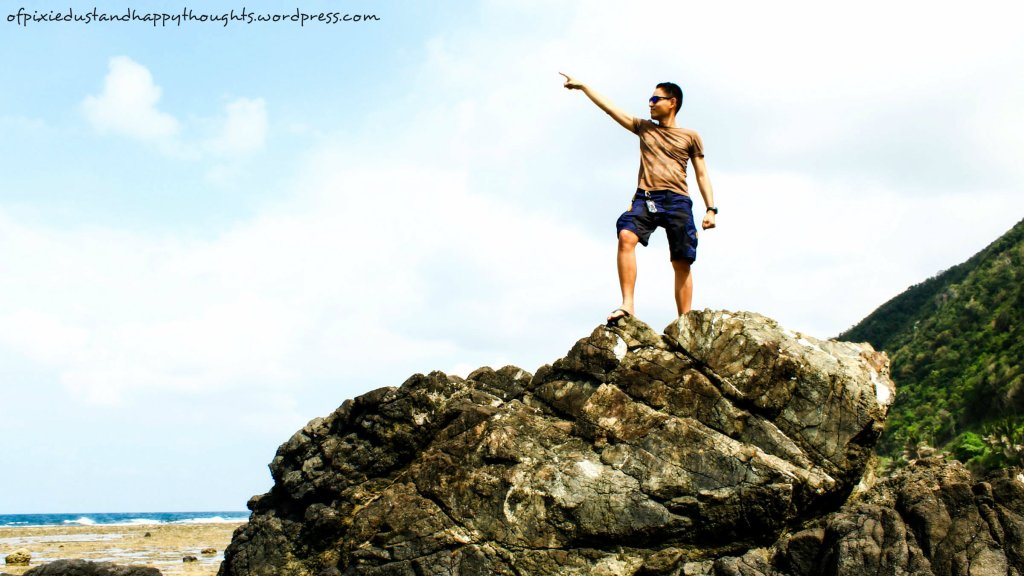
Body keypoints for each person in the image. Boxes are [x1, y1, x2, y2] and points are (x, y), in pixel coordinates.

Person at [560, 72, 718, 324]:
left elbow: (702, 174)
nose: (650, 103)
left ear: (672, 102)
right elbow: (612, 110)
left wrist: (711, 209)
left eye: (656, 99)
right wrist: (584, 87)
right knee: (626, 235)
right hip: (646, 198)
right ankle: (628, 305)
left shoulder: (690, 136)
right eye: (650, 99)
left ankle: (685, 322)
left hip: (677, 200)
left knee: (682, 261)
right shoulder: (644, 128)